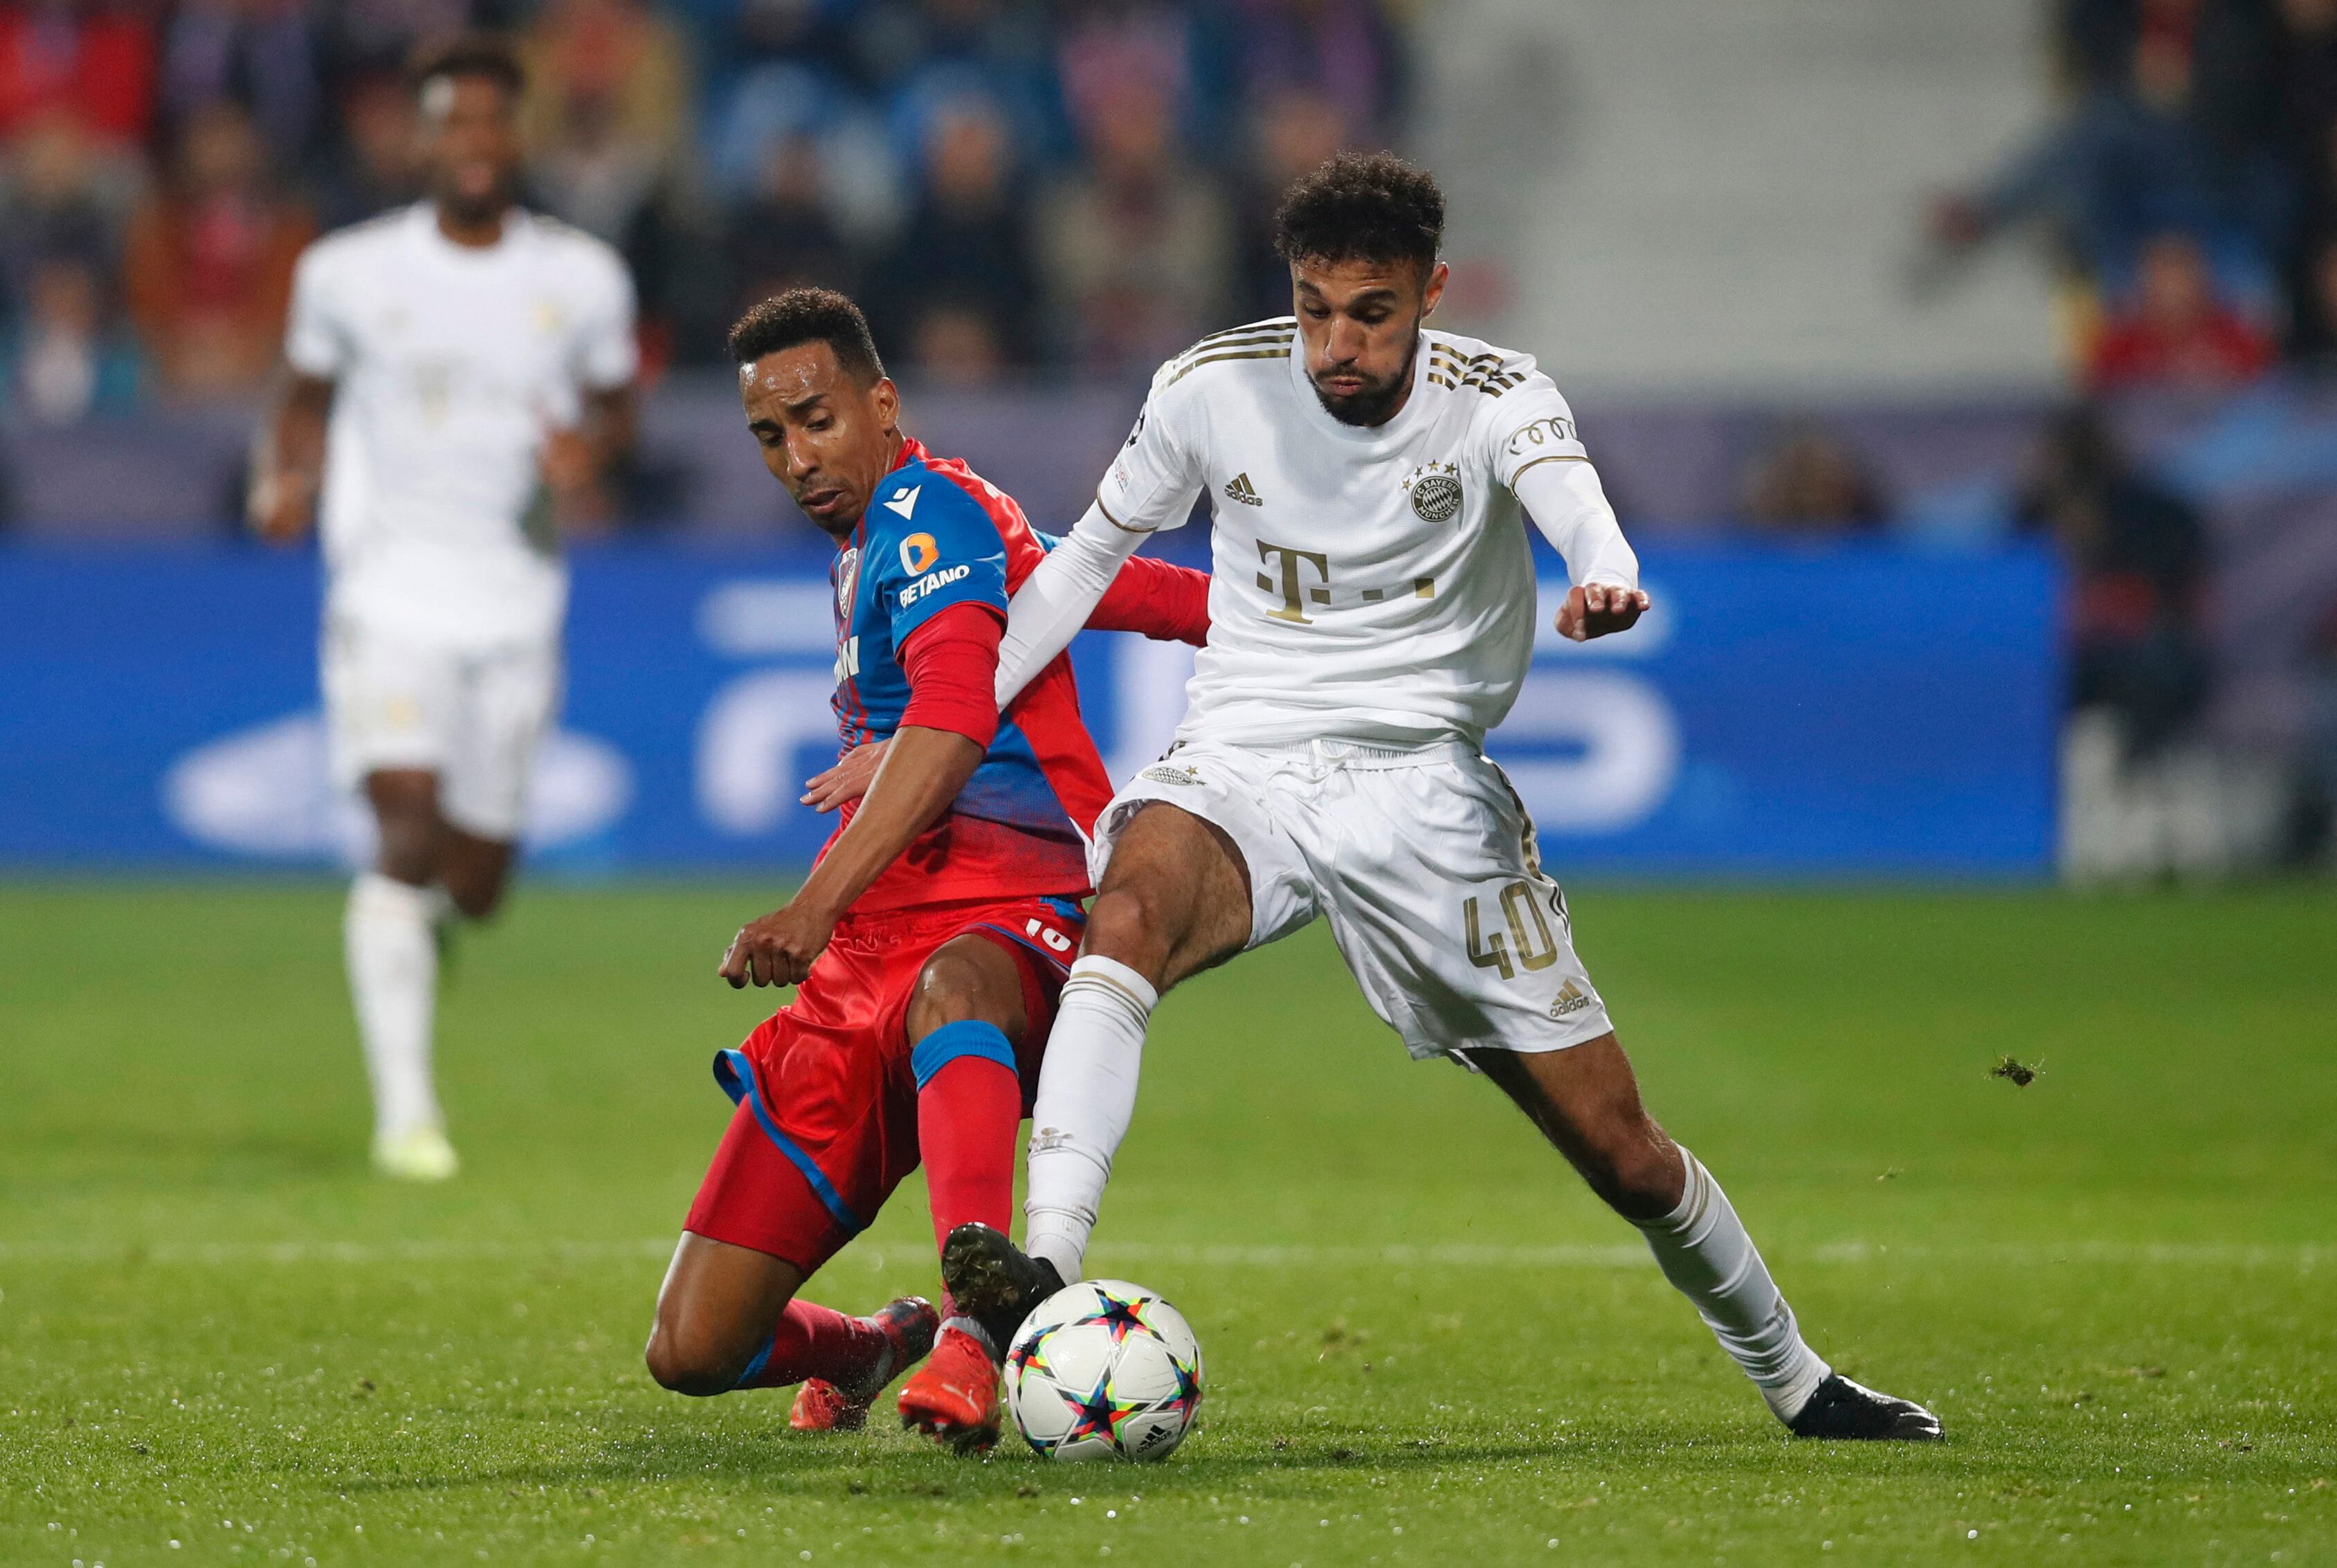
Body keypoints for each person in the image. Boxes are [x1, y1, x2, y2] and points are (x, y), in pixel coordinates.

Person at [936, 152, 1945, 1442]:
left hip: (1425, 792)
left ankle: (1798, 1381)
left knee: (1620, 1147)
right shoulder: (1207, 387)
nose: (1336, 344)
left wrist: (1608, 572)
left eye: (1371, 311)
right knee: (1125, 908)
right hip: (1247, 750)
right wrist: (951, 726)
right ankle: (1048, 1272)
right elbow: (1084, 559)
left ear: (1430, 295)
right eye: (1313, 308)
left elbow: (1571, 500)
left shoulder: (1493, 394)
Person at [642, 287, 1211, 1450]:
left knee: (958, 984)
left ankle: (972, 1329)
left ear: (881, 402)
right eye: (769, 436)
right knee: (694, 1350)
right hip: (862, 969)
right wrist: (1267, 620)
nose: (797, 458)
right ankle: (872, 1343)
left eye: (815, 419)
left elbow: (953, 718)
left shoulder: (922, 509)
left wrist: (814, 900)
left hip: (1013, 921)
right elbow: (1097, 586)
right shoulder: (897, 541)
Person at [248, 35, 639, 1181]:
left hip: (514, 602)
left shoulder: (579, 278)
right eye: (451, 122)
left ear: (513, 137)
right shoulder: (349, 272)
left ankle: (425, 930)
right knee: (402, 829)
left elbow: (621, 407)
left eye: (490, 122)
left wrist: (591, 452)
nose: (472, 143)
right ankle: (407, 1118)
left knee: (474, 878)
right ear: (421, 138)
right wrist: (287, 475)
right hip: (387, 590)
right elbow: (306, 397)